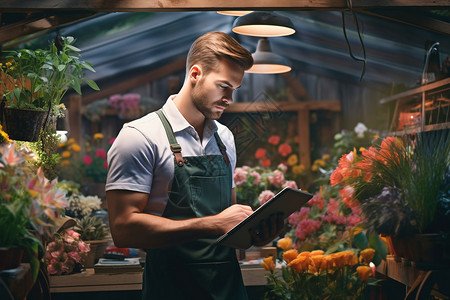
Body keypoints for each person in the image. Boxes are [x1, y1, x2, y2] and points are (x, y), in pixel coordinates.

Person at [106, 31, 283, 300]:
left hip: (228, 289)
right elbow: (123, 229)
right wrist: (213, 224)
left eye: (234, 89)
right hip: (171, 289)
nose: (229, 99)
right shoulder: (139, 136)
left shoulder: (224, 138)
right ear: (195, 74)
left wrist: (257, 234)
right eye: (224, 86)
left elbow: (228, 222)